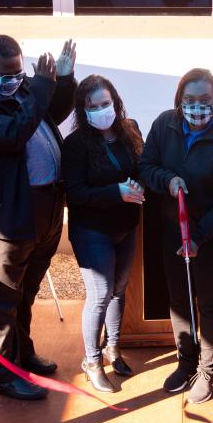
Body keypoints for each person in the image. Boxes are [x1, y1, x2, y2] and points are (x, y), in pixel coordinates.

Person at [0, 36, 77, 400]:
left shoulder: (23, 90)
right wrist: (38, 86)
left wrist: (63, 81)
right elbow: (14, 134)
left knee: (24, 293)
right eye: (5, 73)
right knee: (0, 300)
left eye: (18, 72)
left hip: (42, 210)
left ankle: (22, 357)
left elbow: (48, 112)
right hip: (3, 222)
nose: (14, 79)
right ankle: (5, 376)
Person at [139, 69, 213, 404]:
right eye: (190, 100)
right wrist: (167, 179)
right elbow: (146, 166)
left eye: (204, 101)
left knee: (209, 302)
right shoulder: (163, 125)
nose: (197, 107)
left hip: (212, 238)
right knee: (178, 300)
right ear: (179, 101)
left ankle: (208, 370)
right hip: (173, 231)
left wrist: (198, 238)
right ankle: (186, 361)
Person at [62, 75, 145, 393]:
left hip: (126, 225)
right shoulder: (76, 144)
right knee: (100, 294)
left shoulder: (130, 129)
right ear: (83, 111)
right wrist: (116, 192)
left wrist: (141, 184)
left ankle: (113, 348)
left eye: (105, 104)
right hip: (91, 230)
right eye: (93, 106)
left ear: (116, 102)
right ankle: (92, 361)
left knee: (119, 290)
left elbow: (141, 166)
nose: (101, 110)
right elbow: (76, 193)